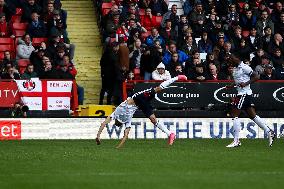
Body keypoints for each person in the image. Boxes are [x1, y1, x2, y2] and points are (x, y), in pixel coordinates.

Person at [96, 75, 188, 148]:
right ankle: (170, 134)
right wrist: (118, 146)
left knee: (158, 89)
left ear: (118, 121)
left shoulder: (116, 113)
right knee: (153, 119)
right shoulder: (126, 120)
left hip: (137, 98)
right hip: (140, 105)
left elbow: (104, 123)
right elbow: (125, 135)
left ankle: (177, 77)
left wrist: (98, 136)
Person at [225, 55, 276, 148]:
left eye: (230, 61)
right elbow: (239, 80)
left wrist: (246, 84)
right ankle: (269, 131)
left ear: (235, 59)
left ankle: (236, 141)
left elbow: (256, 77)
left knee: (234, 114)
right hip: (242, 93)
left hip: (244, 94)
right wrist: (231, 85)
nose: (229, 63)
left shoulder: (244, 67)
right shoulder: (236, 68)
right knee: (253, 116)